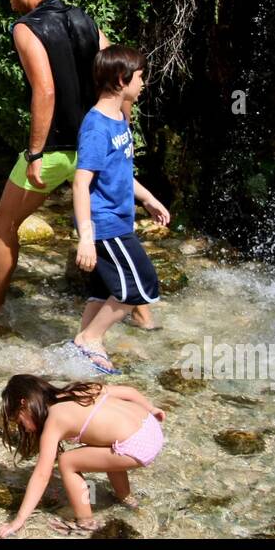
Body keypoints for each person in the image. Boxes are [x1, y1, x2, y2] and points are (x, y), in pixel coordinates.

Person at [0, 0, 107, 317]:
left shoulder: (26, 28)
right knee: (106, 224)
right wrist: (121, 132)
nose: (12, 6)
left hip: (57, 148)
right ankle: (140, 312)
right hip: (94, 143)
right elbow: (115, 75)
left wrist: (35, 153)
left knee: (5, 223)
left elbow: (44, 91)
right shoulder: (85, 18)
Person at [71, 46, 170, 374]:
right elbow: (81, 183)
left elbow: (121, 172)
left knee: (105, 290)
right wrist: (86, 239)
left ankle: (79, 347)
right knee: (141, 285)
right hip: (104, 223)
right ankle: (91, 340)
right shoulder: (97, 126)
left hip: (116, 219)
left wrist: (148, 198)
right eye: (140, 77)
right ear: (120, 79)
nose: (143, 83)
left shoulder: (119, 119)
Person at [0, 375, 165, 537]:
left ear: (24, 404)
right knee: (102, 448)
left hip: (138, 446)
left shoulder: (54, 421)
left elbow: (41, 475)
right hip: (150, 425)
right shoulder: (77, 392)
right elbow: (129, 392)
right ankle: (127, 499)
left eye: (19, 421)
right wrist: (152, 408)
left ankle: (85, 522)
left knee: (67, 461)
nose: (24, 429)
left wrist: (18, 520)